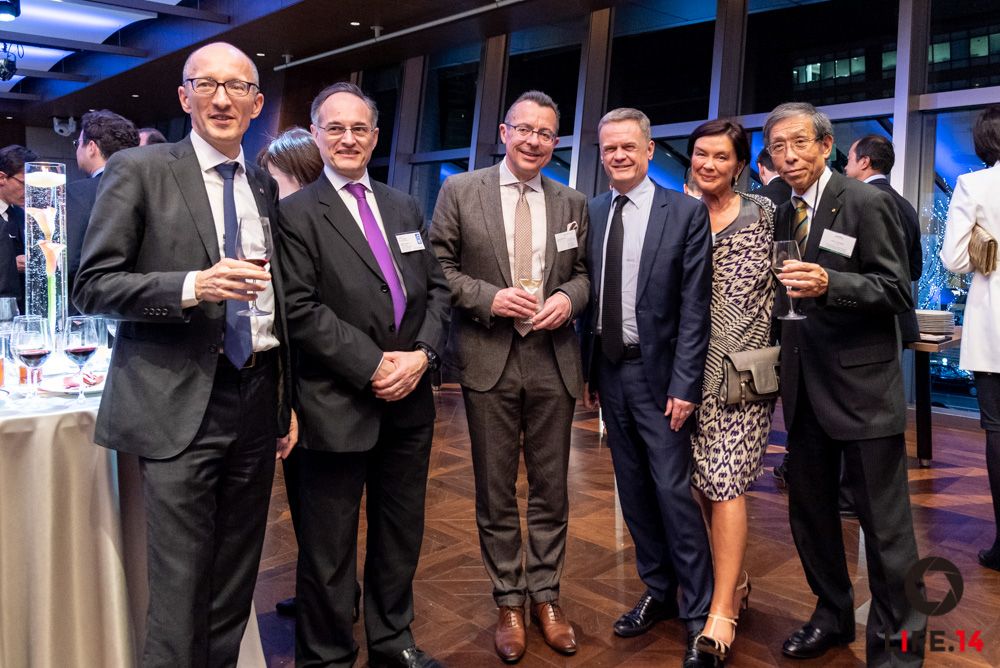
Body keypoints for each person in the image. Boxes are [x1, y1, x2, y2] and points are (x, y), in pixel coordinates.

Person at [73, 42, 295, 667]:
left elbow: (275, 304)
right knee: (178, 590)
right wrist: (193, 285)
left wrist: (283, 402)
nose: (222, 99)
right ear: (184, 96)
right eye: (206, 85)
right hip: (177, 401)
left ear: (257, 102)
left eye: (237, 87)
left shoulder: (261, 183)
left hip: (256, 398)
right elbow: (93, 286)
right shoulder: (141, 170)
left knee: (233, 582)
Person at [278, 81, 449, 668]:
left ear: (375, 137)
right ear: (316, 136)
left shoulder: (404, 206)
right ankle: (327, 656)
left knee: (400, 533)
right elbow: (299, 308)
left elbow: (437, 291)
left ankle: (393, 641)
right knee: (327, 549)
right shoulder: (295, 214)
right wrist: (372, 363)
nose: (348, 138)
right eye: (335, 128)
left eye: (359, 128)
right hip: (335, 403)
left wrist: (423, 354)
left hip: (410, 400)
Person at [430, 90, 589, 662]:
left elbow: (585, 274)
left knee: (551, 489)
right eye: (524, 129)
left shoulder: (572, 201)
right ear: (504, 132)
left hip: (552, 358)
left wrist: (568, 299)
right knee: (495, 491)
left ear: (555, 141)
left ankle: (546, 595)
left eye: (545, 133)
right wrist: (489, 298)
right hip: (488, 356)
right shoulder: (459, 190)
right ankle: (509, 601)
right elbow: (437, 267)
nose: (533, 141)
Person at [766, 101, 924, 666]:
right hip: (803, 389)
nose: (789, 156)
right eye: (778, 146)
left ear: (826, 146)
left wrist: (831, 283)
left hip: (863, 390)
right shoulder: (780, 212)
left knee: (885, 530)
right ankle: (832, 615)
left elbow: (897, 289)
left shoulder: (865, 202)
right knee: (810, 516)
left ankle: (899, 650)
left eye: (799, 143)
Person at [579, 107, 715, 668]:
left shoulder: (684, 212)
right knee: (632, 490)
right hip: (610, 372)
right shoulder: (592, 211)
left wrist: (685, 384)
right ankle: (658, 589)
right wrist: (590, 373)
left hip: (662, 379)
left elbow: (696, 307)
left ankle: (699, 612)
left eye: (628, 146)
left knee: (673, 493)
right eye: (609, 147)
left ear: (649, 149)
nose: (618, 156)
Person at [687, 118, 776, 665]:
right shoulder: (681, 216)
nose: (709, 164)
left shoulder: (766, 214)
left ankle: (721, 612)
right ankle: (734, 579)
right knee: (699, 483)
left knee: (724, 482)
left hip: (745, 374)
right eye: (701, 153)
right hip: (686, 375)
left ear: (740, 165)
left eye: (722, 156)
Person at [254, 126, 328, 621]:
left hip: (316, 381)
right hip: (291, 381)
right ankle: (319, 590)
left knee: (319, 502)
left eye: (274, 183)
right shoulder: (278, 233)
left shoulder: (311, 233)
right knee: (307, 500)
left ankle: (329, 598)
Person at [940, 105, 1000, 573]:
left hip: (994, 318)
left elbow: (956, 259)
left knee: (998, 429)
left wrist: (985, 239)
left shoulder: (975, 184)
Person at [845, 133, 922, 344]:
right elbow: (915, 270)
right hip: (901, 317)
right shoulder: (907, 206)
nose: (845, 166)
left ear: (864, 162)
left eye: (849, 159)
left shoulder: (856, 201)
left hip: (865, 319)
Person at [67, 110, 139, 312]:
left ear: (91, 147)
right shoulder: (150, 189)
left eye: (78, 143)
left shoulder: (76, 193)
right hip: (138, 305)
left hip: (87, 309)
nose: (77, 149)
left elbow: (68, 261)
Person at [0, 145, 36, 314]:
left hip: (21, 311)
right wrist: (10, 265)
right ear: (2, 178)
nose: (30, 191)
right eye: (24, 184)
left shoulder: (22, 215)